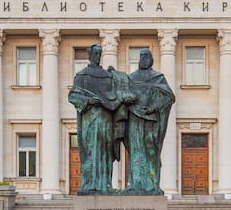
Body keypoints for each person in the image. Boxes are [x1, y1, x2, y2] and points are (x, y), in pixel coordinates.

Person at [68, 44, 134, 194]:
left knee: (105, 152)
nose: (97, 56)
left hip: (106, 119)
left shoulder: (107, 75)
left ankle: (105, 185)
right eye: (95, 53)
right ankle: (90, 185)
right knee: (91, 151)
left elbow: (115, 91)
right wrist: (89, 101)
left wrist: (116, 76)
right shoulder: (82, 75)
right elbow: (73, 95)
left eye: (99, 53)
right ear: (90, 55)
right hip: (90, 119)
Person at [125, 48, 175, 194]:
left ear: (151, 59)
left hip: (151, 120)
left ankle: (153, 184)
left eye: (146, 56)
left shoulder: (158, 77)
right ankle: (135, 184)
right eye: (141, 56)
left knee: (151, 151)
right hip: (134, 119)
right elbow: (122, 93)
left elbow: (168, 97)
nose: (143, 58)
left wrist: (153, 107)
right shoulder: (130, 78)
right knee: (135, 151)